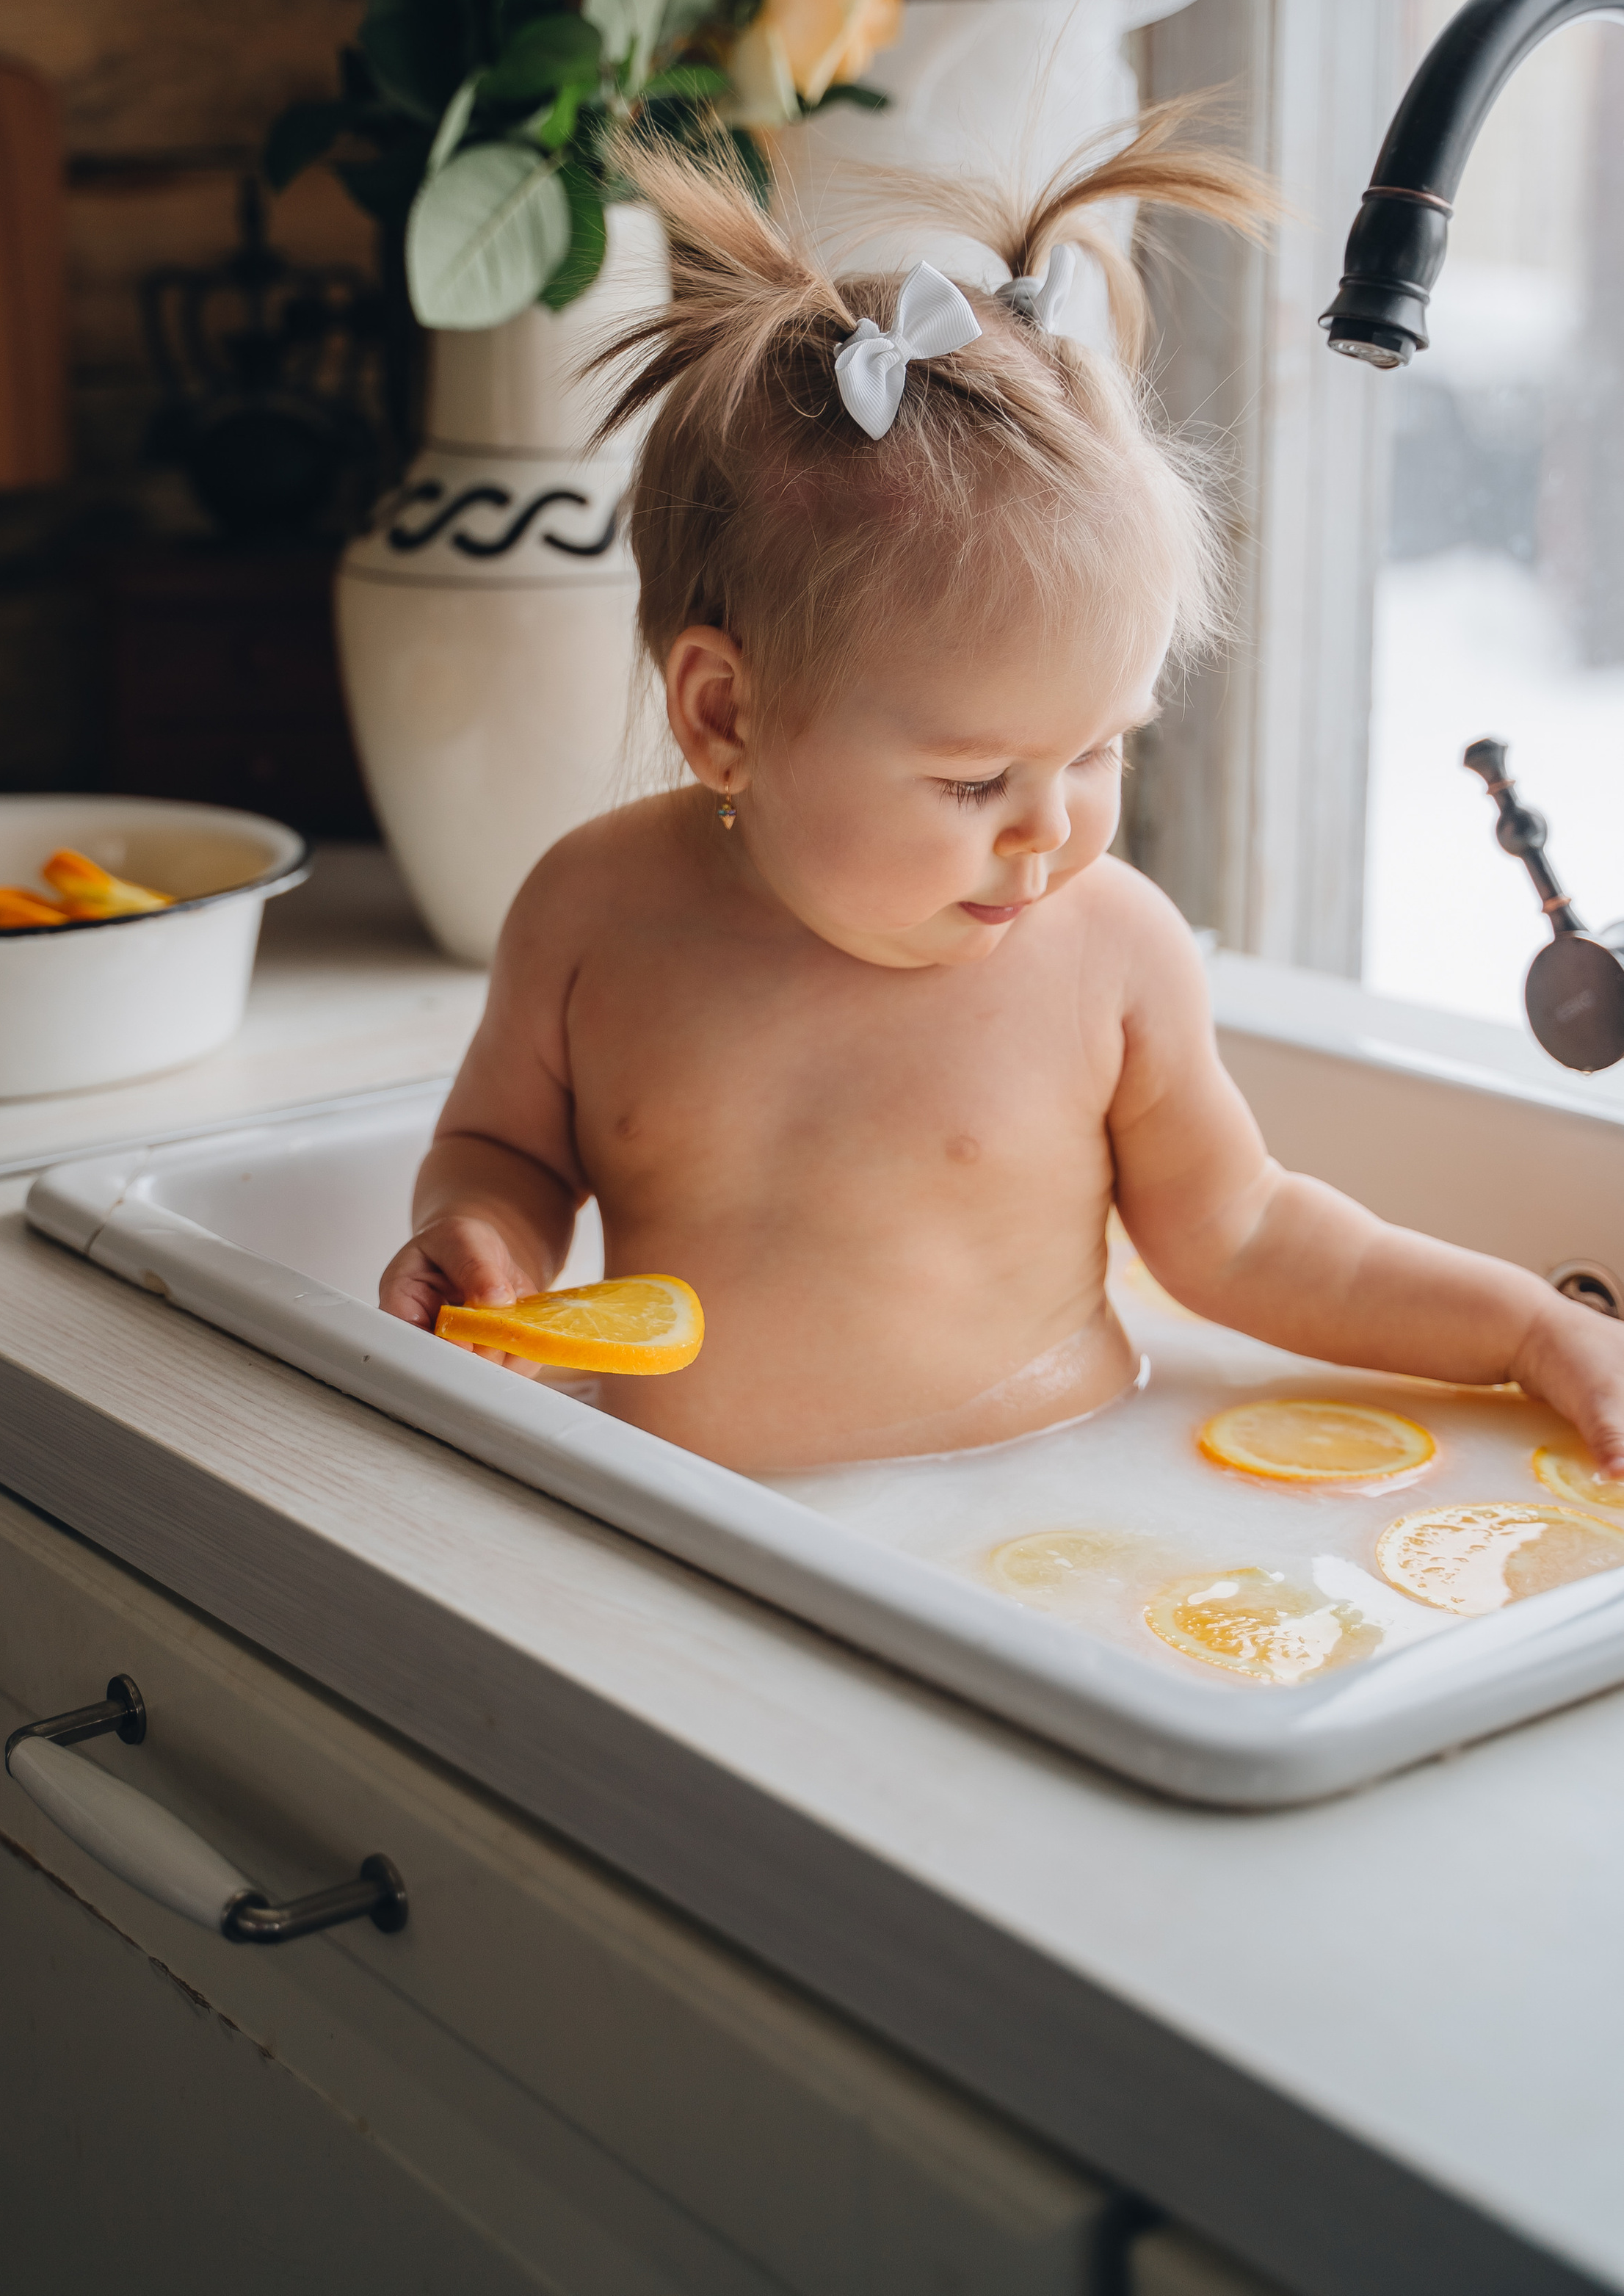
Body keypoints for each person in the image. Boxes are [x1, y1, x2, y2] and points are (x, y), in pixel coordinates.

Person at [378, 114, 1624, 1480]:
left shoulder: (1112, 954)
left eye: (1098, 750)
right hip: (704, 1553)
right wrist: (486, 1235)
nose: (1052, 831)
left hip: (1051, 1528)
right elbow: (504, 1148)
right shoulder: (594, 916)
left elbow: (1250, 1236)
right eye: (976, 778)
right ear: (724, 715)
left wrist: (1524, 1327)